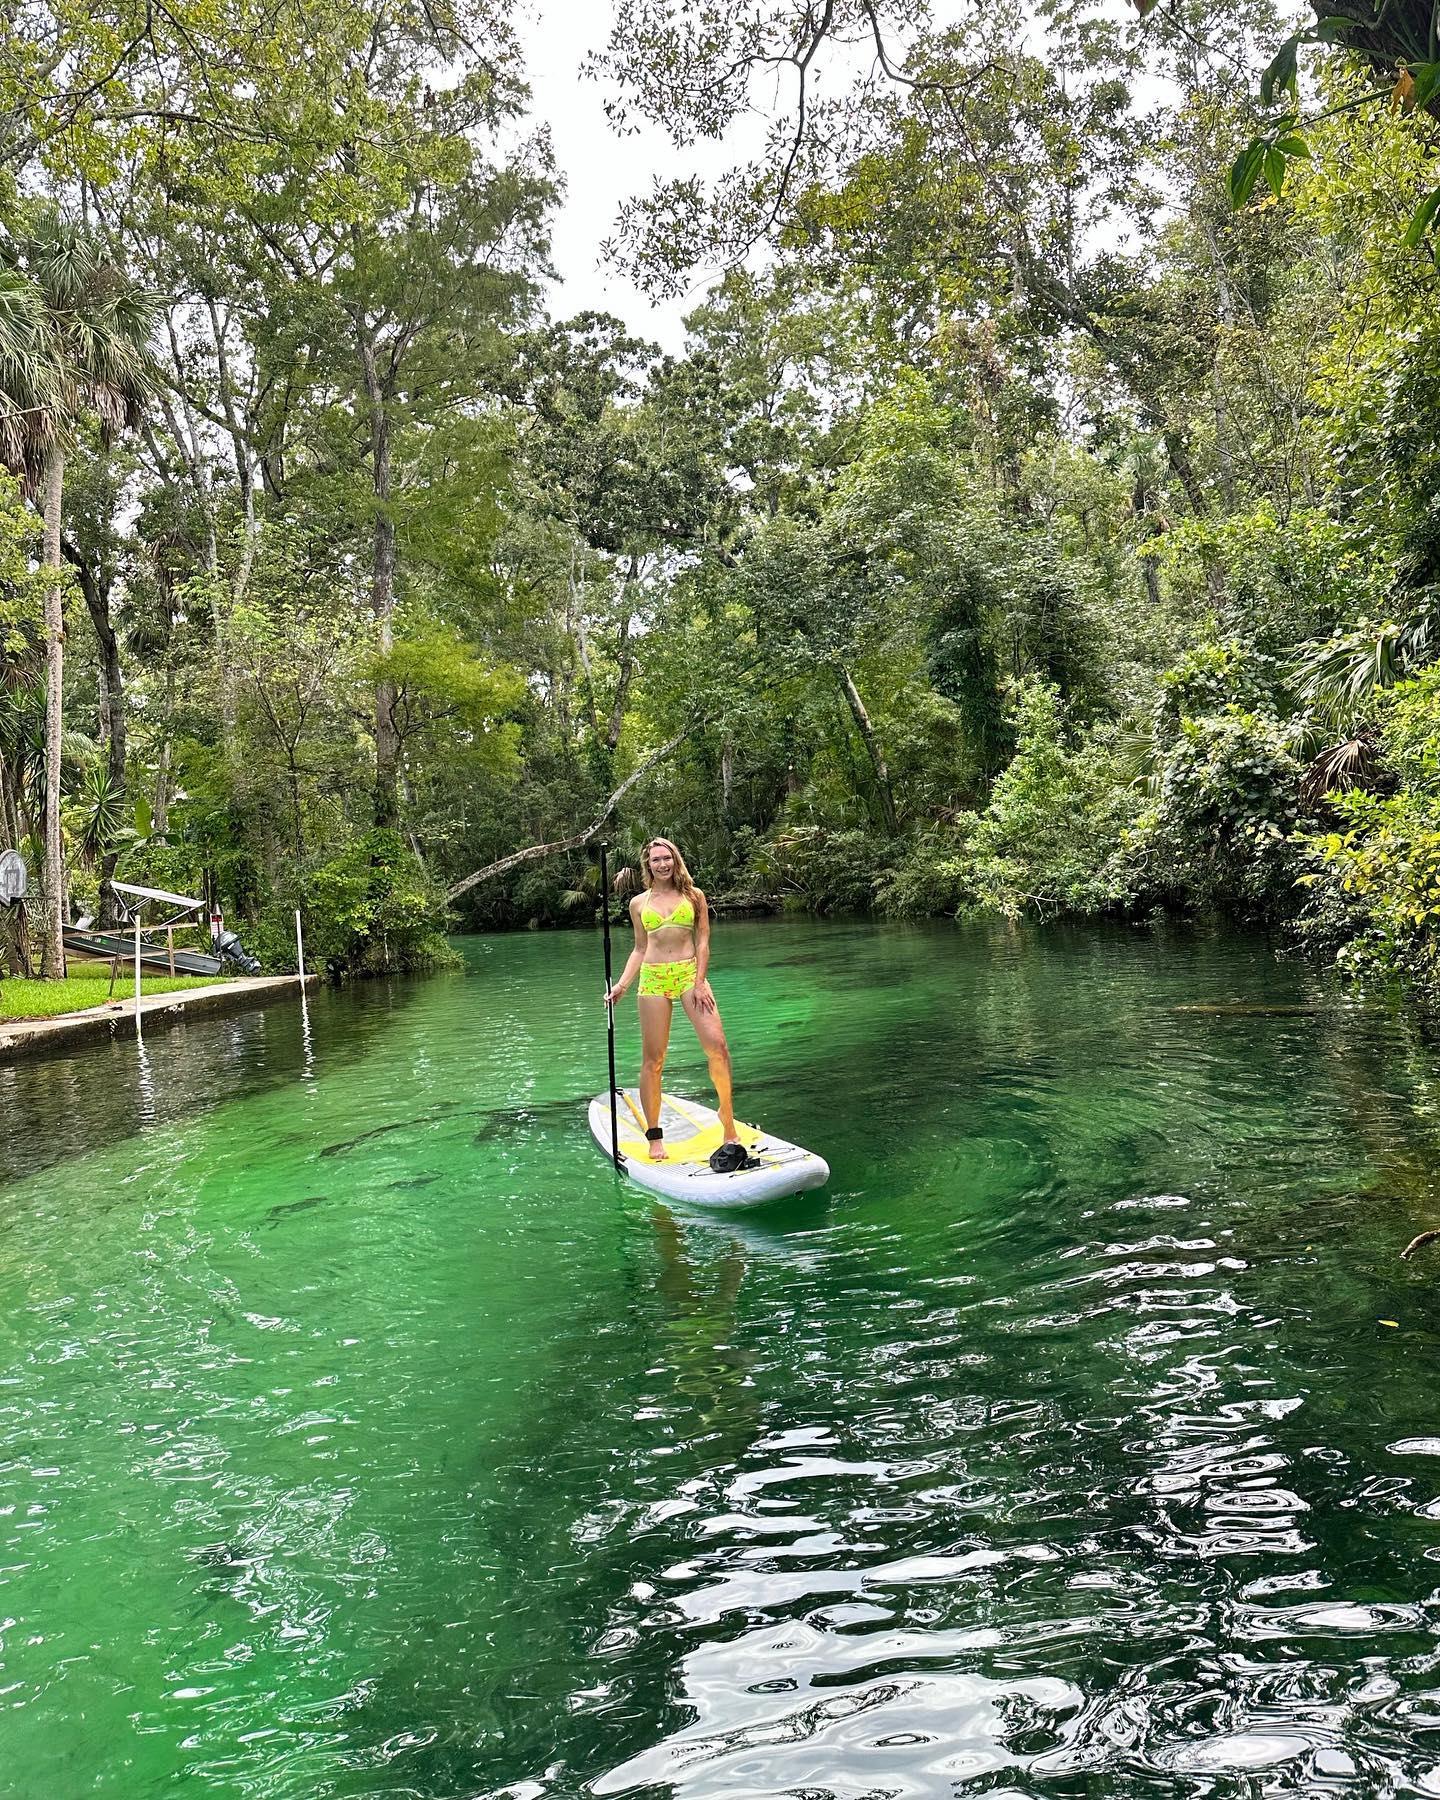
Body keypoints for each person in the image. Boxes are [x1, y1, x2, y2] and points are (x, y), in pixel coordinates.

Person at [604, 837, 741, 1161]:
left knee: (717, 1047)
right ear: (647, 865)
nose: (662, 864)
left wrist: (700, 981)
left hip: (688, 975)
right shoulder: (639, 903)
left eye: (667, 858)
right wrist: (623, 985)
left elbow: (703, 941)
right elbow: (639, 948)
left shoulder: (694, 896)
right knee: (654, 1060)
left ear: (675, 860)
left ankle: (727, 1120)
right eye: (655, 860)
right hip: (652, 978)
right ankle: (654, 1136)